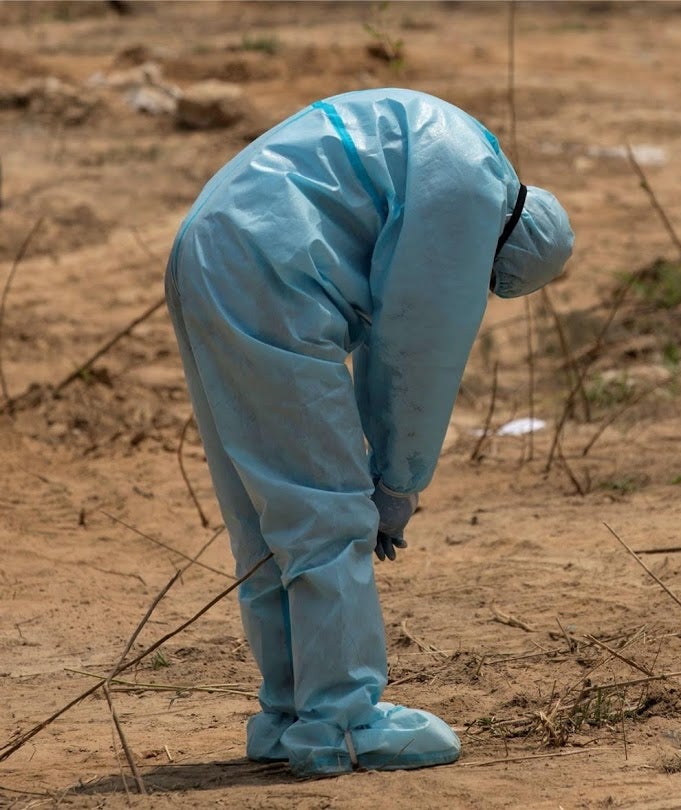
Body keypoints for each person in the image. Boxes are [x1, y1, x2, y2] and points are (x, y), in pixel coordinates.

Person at [165, 88, 573, 776]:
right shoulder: (470, 191)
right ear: (503, 251)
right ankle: (344, 724)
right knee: (328, 512)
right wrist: (395, 480)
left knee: (267, 513)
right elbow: (417, 349)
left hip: (208, 246)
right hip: (273, 269)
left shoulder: (455, 141)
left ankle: (289, 711)